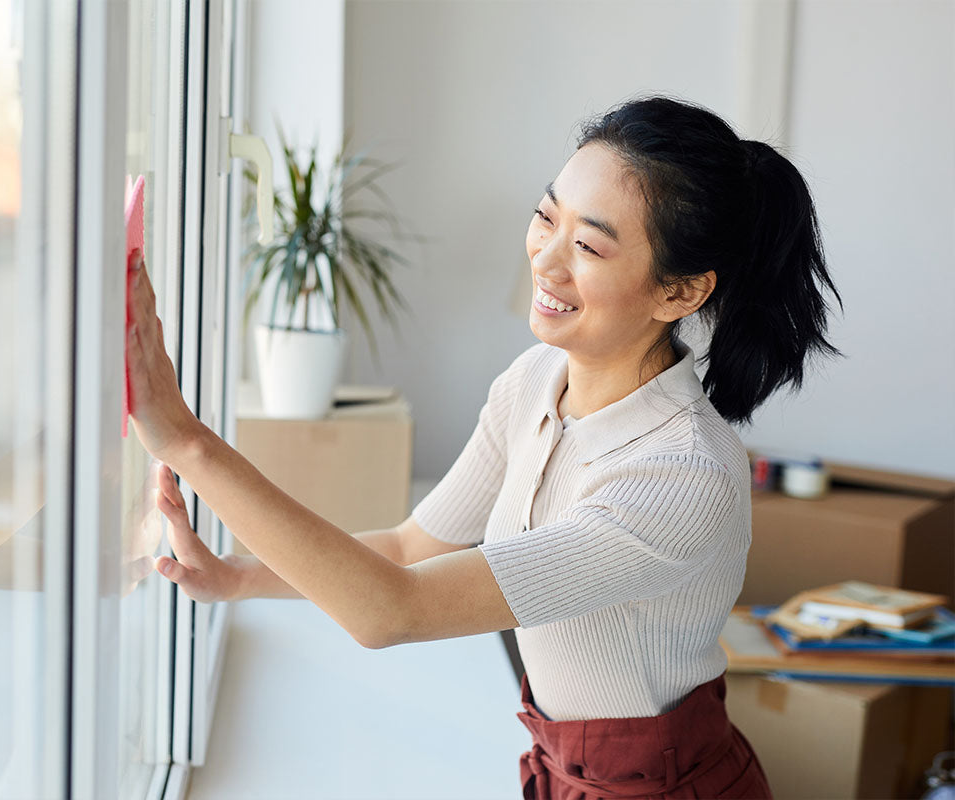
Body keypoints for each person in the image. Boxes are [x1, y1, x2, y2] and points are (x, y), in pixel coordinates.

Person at [124, 94, 844, 799]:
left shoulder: (681, 475)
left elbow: (392, 609)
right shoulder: (535, 380)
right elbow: (411, 551)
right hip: (563, 769)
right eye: (544, 217)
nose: (546, 261)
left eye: (588, 245)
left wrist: (186, 441)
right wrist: (238, 578)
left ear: (680, 294)